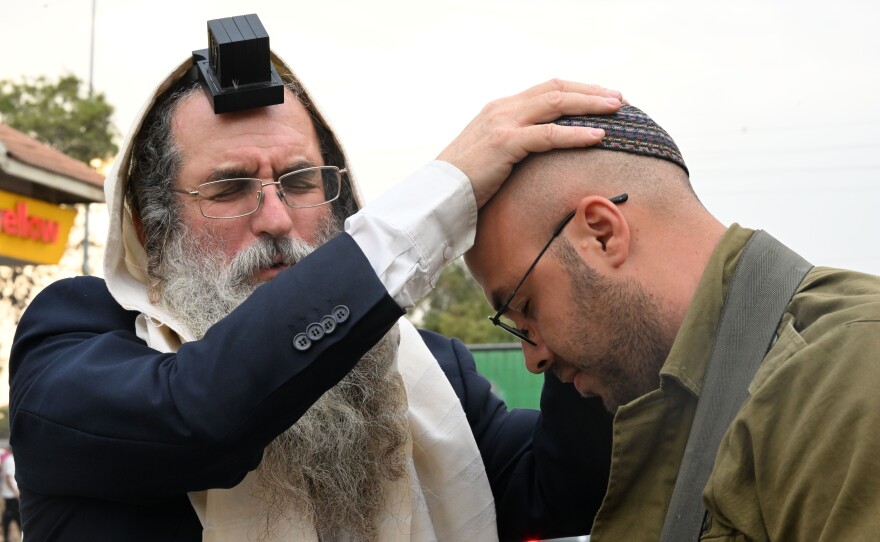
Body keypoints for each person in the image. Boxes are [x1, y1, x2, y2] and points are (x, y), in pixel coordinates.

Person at [8, 19, 621, 542]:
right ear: (153, 228)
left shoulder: (419, 368)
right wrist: (442, 195)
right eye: (229, 188)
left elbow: (556, 486)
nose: (276, 220)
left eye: (300, 182)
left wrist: (577, 285)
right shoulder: (74, 342)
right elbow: (200, 418)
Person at [465, 104, 880, 540]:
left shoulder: (848, 370)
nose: (533, 360)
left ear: (602, 234)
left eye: (525, 306)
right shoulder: (669, 398)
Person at [1, 450, 19, 542]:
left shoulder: (10, 459)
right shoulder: (10, 460)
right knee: (12, 516)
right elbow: (9, 479)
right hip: (11, 495)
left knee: (12, 517)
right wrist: (17, 493)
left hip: (11, 495)